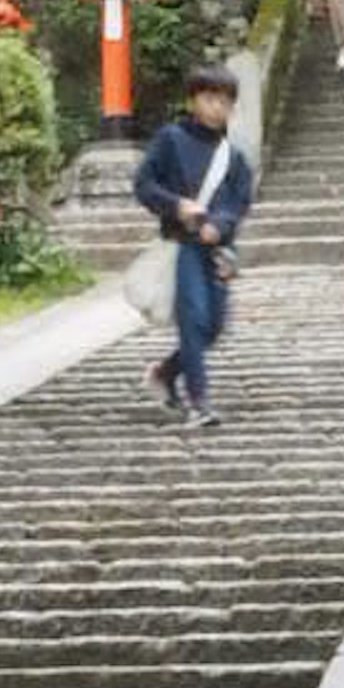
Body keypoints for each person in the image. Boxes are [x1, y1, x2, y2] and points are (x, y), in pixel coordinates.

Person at [135, 61, 256, 430]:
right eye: (209, 98)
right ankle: (198, 402)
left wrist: (220, 226)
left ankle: (166, 373)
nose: (216, 107)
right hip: (182, 245)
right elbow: (144, 184)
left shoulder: (233, 157)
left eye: (224, 101)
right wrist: (177, 205)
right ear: (193, 101)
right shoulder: (171, 139)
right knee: (193, 320)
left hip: (216, 251)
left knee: (213, 327)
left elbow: (239, 201)